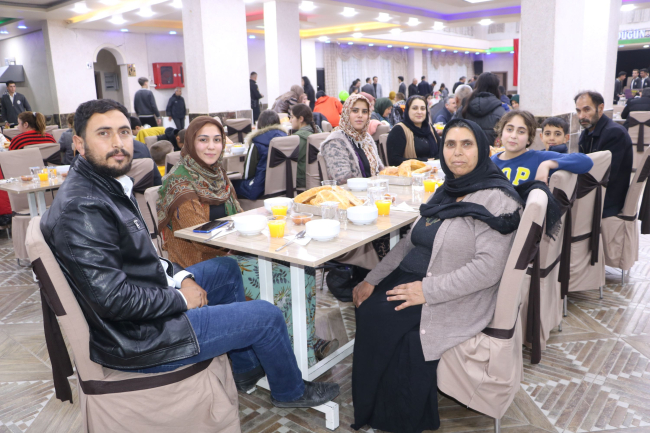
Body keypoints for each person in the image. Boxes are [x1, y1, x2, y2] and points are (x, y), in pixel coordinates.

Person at [43, 100, 339, 408]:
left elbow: (141, 259)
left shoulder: (105, 187)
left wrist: (181, 277)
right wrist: (181, 299)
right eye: (104, 133)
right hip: (140, 338)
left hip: (143, 312)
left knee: (227, 269)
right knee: (266, 316)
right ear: (79, 143)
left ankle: (245, 369)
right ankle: (290, 392)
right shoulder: (84, 207)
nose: (118, 143)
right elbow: (113, 301)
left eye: (124, 132)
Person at [351, 118, 523, 433]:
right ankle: (376, 407)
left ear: (482, 149)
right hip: (418, 276)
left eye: (467, 144)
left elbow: (488, 268)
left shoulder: (498, 199)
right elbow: (410, 242)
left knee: (379, 318)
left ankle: (392, 417)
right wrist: (372, 278)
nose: (457, 153)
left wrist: (427, 291)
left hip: (456, 293)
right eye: (450, 145)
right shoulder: (448, 189)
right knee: (369, 306)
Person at [491, 111, 593, 186]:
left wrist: (547, 164)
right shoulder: (490, 162)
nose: (513, 136)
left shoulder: (538, 158)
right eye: (509, 129)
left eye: (521, 132)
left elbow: (585, 161)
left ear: (529, 138)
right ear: (501, 133)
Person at [576, 90, 633, 217]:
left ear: (600, 108)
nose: (581, 116)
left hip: (606, 202)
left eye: (586, 110)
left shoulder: (615, 133)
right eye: (578, 111)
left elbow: (606, 176)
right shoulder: (586, 134)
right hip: (593, 194)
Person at [320, 93, 384, 183]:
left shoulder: (367, 138)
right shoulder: (335, 142)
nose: (360, 115)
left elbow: (381, 170)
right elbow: (342, 180)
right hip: (350, 191)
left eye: (364, 112)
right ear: (346, 113)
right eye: (355, 111)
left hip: (373, 189)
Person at [233, 110, 287, 200]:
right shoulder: (286, 138)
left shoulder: (256, 141)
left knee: (231, 184)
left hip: (260, 188)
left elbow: (247, 174)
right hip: (285, 185)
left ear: (260, 124)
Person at [455, 72, 506, 144]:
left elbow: (453, 129)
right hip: (491, 150)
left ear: (477, 85)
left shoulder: (464, 108)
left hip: (465, 149)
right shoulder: (500, 112)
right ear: (496, 88)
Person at [387, 95, 440, 166]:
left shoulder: (429, 128)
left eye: (423, 109)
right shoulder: (399, 130)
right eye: (415, 108)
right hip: (411, 172)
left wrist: (434, 161)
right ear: (407, 110)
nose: (419, 112)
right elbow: (394, 160)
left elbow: (442, 151)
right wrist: (424, 161)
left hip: (435, 169)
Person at [291, 104, 321, 189]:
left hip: (301, 180)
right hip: (317, 178)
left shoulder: (298, 138)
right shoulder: (318, 132)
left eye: (292, 117)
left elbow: (290, 161)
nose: (290, 120)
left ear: (301, 119)